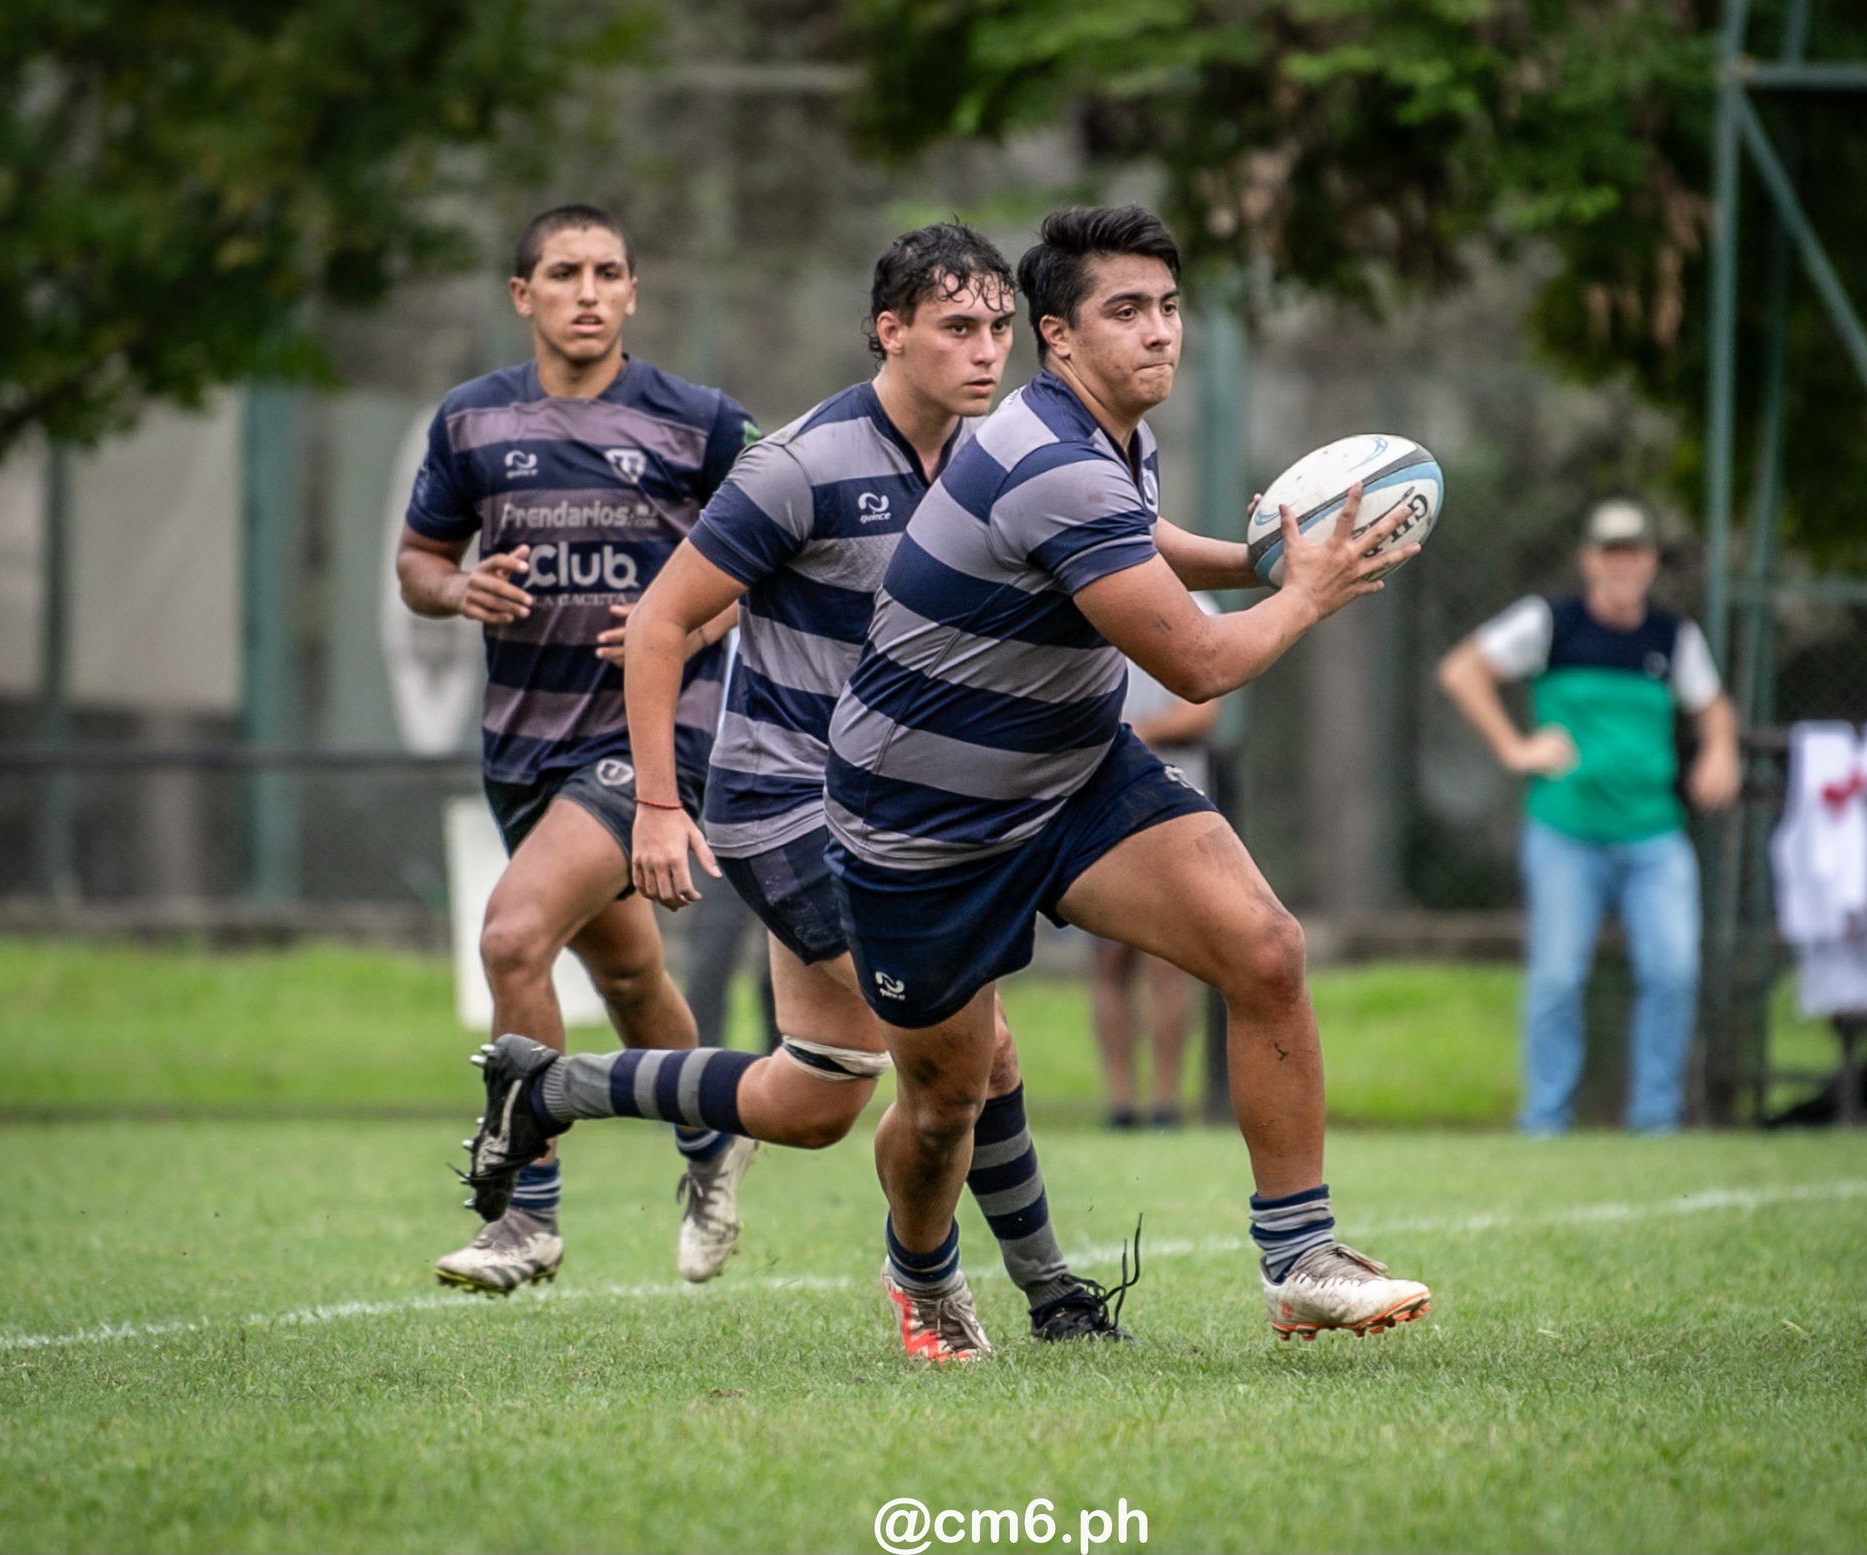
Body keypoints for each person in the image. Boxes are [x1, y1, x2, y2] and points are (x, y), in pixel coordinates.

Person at [460, 223, 1132, 1340]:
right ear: (890, 331)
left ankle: (552, 1086)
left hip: (908, 802)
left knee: (819, 1096)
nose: (985, 352)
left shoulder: (999, 458)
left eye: (998, 328)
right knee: (979, 1047)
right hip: (790, 803)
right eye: (957, 328)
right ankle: (1046, 1291)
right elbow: (669, 616)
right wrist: (662, 811)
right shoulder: (804, 460)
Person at [819, 204, 1433, 1361]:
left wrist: (1265, 552)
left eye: (1168, 308)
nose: (1159, 334)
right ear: (1056, 335)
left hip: (1069, 770)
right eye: (1125, 312)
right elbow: (1196, 661)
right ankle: (922, 1271)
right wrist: (1305, 590)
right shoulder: (1049, 462)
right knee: (946, 1102)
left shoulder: (1103, 438)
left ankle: (1299, 1258)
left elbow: (1141, 535)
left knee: (1263, 947)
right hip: (923, 827)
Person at [398, 204, 754, 1295]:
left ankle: (526, 1217)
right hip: (519, 741)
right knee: (632, 970)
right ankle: (710, 1145)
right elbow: (418, 560)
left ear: (633, 293)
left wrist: (678, 625)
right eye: (564, 273)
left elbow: (763, 565)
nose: (587, 290)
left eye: (608, 271)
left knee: (512, 936)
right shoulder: (470, 422)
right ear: (524, 295)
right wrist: (459, 588)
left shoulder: (698, 423)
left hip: (645, 739)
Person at [1436, 499, 1740, 1135]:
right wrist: (1514, 748)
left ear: (1651, 561)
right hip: (1565, 832)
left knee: (1672, 971)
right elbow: (1463, 671)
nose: (1622, 565)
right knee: (1557, 979)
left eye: (1634, 552)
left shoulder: (1672, 637)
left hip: (1654, 834)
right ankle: (1545, 1124)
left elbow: (1714, 710)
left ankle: (1656, 1121)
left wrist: (1720, 749)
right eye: (1610, 552)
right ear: (1589, 560)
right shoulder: (1552, 623)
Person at [1093, 594, 1222, 1129]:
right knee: (1109, 961)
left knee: (1169, 963)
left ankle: (1166, 1102)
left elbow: (1202, 709)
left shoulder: (1199, 608)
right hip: (1095, 799)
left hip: (1172, 801)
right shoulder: (1090, 595)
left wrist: (1131, 735)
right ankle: (1121, 1103)